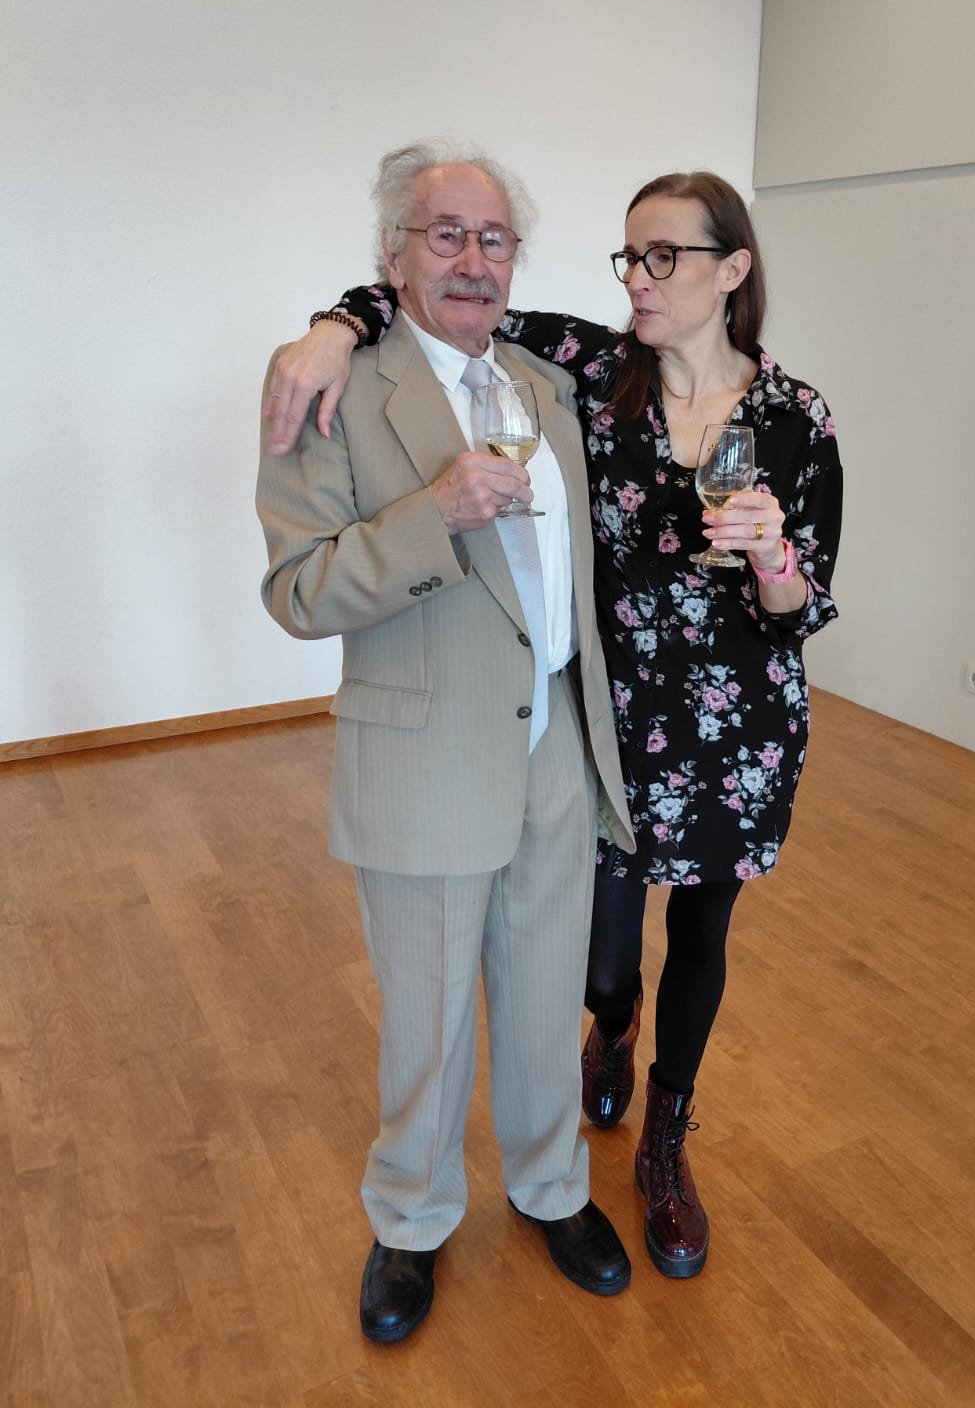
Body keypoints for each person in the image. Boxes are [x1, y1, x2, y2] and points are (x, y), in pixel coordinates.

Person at [266, 165, 842, 1281]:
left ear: (734, 270)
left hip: (683, 739)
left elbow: (804, 600)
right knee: (531, 986)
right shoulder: (572, 373)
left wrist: (773, 554)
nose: (639, 278)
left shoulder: (748, 411)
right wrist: (337, 324)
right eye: (630, 256)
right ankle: (449, 1187)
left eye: (664, 256)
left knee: (622, 964)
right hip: (553, 734)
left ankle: (607, 1164)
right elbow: (441, 297)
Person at [256, 141, 635, 1344]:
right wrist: (435, 513)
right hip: (423, 752)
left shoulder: (548, 381)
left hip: (556, 743)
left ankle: (551, 1187)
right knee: (427, 1017)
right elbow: (299, 591)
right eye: (446, 235)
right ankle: (412, 1218)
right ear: (394, 254)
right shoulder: (331, 385)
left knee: (543, 995)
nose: (473, 260)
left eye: (494, 238)